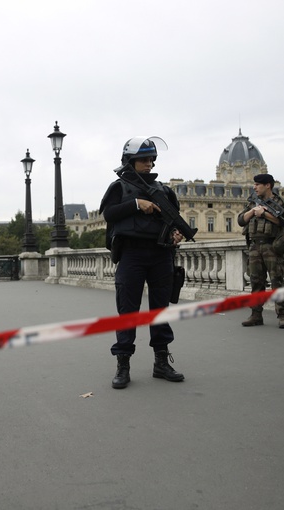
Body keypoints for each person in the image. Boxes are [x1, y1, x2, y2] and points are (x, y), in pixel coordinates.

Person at [99, 136, 185, 389]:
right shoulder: (119, 187)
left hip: (161, 255)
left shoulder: (165, 190)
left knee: (159, 311)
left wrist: (176, 234)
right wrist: (137, 204)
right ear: (130, 161)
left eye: (150, 160)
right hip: (131, 255)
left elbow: (173, 222)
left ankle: (161, 362)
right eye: (143, 160)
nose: (148, 164)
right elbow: (109, 214)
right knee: (128, 311)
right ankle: (123, 364)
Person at [237, 173, 284, 328]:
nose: (254, 187)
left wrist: (265, 214)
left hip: (272, 245)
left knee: (277, 281)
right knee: (256, 282)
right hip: (254, 246)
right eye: (254, 184)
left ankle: (283, 315)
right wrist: (252, 212)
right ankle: (256, 315)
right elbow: (241, 221)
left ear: (268, 185)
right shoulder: (252, 202)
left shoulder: (279, 202)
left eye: (258, 184)